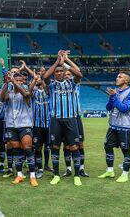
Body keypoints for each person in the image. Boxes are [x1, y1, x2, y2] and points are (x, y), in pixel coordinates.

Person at [43, 50, 84, 186]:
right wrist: (57, 62)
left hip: (71, 119)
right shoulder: (52, 85)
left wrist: (65, 63)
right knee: (55, 147)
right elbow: (45, 77)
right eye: (57, 71)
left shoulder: (71, 83)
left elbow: (79, 74)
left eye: (61, 71)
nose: (59, 73)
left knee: (73, 147)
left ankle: (77, 175)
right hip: (56, 120)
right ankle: (56, 174)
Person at [0, 72, 38, 187]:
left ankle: (32, 176)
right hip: (11, 125)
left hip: (25, 124)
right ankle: (19, 175)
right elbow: (2, 98)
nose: (19, 82)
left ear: (23, 82)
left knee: (28, 148)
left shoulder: (26, 92)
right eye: (17, 80)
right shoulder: (9, 93)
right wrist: (6, 83)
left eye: (21, 80)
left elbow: (26, 95)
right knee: (16, 150)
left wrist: (14, 82)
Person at [98, 72, 130, 183]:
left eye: (120, 77)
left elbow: (124, 108)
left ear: (126, 81)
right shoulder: (116, 92)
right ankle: (110, 171)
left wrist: (114, 96)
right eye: (117, 76)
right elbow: (108, 107)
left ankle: (125, 174)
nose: (117, 78)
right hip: (113, 126)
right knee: (107, 146)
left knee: (125, 150)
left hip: (125, 127)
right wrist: (111, 97)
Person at [63, 56, 89, 177]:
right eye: (66, 74)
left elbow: (77, 70)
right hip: (65, 117)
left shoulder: (75, 84)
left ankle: (81, 168)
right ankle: (68, 169)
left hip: (76, 117)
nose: (67, 76)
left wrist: (66, 60)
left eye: (69, 74)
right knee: (67, 144)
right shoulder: (61, 86)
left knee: (80, 144)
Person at [29, 69, 51, 179]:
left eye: (39, 77)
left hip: (48, 125)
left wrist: (42, 78)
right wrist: (35, 78)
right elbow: (29, 90)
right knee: (37, 148)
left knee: (48, 146)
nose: (38, 79)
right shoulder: (34, 92)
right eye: (36, 77)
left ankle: (47, 165)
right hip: (36, 125)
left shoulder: (48, 92)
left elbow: (47, 88)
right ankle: (40, 169)